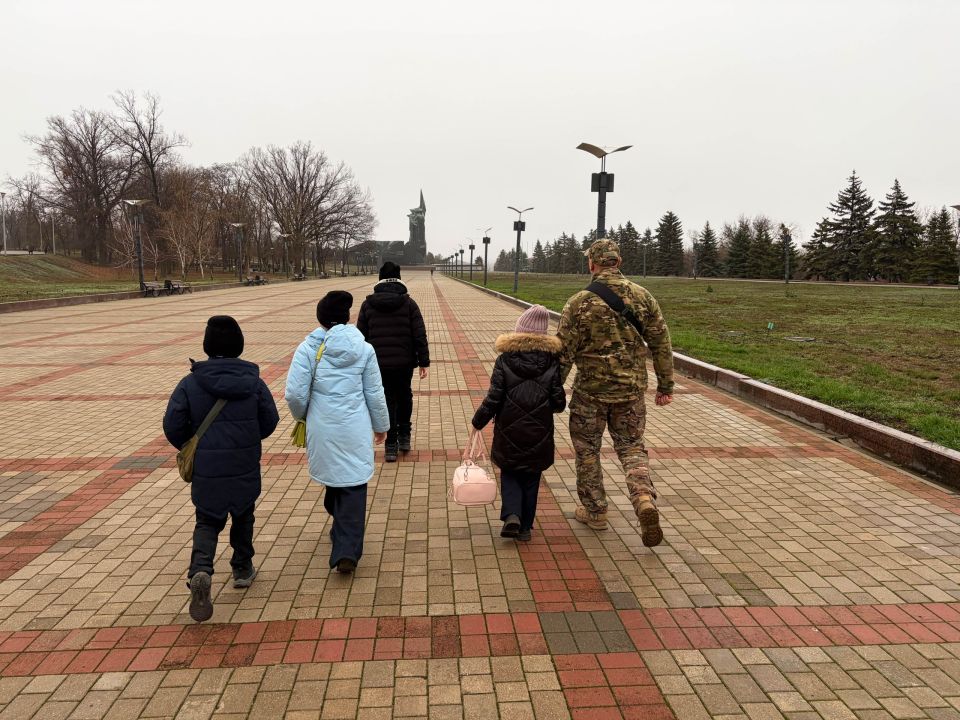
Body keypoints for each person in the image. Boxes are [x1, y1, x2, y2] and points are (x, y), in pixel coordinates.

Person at [556, 239, 674, 547]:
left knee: (587, 453)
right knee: (633, 449)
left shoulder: (578, 302)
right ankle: (643, 498)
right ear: (618, 261)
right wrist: (665, 385)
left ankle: (595, 511)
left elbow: (563, 352)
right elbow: (661, 343)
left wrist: (552, 390)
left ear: (592, 264)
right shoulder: (643, 296)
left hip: (589, 394)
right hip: (631, 393)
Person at [163, 316, 280, 623]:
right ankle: (242, 568)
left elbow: (173, 425)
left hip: (207, 467)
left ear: (207, 344)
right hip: (243, 463)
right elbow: (270, 420)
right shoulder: (254, 381)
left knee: (207, 520)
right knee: (244, 514)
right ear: (238, 344)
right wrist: (247, 438)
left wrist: (194, 444)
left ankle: (200, 570)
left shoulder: (190, 383)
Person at [285, 291, 390, 574]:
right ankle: (347, 544)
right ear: (348, 318)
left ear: (320, 318)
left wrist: (302, 416)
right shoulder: (364, 349)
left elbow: (294, 394)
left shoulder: (307, 349)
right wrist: (381, 426)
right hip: (355, 427)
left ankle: (343, 545)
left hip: (322, 427)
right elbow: (375, 393)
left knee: (336, 478)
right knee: (353, 484)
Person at [471, 305, 566, 541]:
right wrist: (545, 408)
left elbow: (494, 397)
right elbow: (559, 401)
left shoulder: (505, 360)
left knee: (510, 471)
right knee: (532, 477)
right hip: (539, 432)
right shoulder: (552, 362)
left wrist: (478, 421)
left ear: (519, 331)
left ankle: (512, 514)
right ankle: (525, 529)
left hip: (509, 430)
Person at [356, 262, 430, 462]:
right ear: (399, 277)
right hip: (404, 364)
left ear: (380, 279)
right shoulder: (408, 303)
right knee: (404, 396)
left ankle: (390, 445)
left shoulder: (367, 304)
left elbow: (360, 337)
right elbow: (419, 334)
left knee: (386, 399)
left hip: (377, 364)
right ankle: (405, 436)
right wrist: (424, 361)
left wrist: (359, 365)